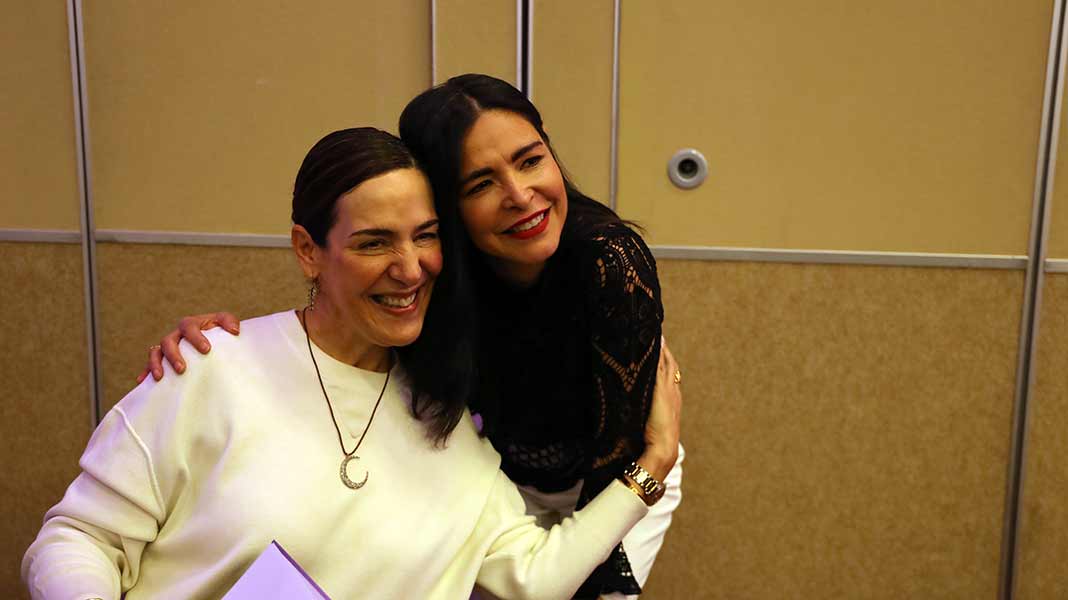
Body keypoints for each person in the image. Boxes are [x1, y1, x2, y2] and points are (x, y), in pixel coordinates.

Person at [23, 128, 682, 600]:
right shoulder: (210, 369)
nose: (409, 267)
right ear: (309, 251)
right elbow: (77, 540)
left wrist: (652, 464)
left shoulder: (450, 426)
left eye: (425, 237)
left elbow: (535, 579)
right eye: (374, 243)